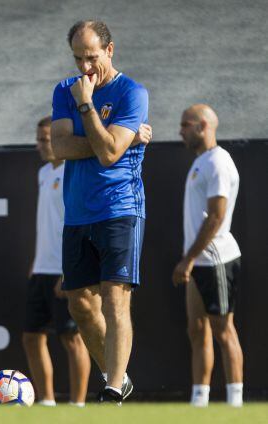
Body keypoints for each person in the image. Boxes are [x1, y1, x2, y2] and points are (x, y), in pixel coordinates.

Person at [49, 20, 153, 404]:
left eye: (91, 57)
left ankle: (111, 390)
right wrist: (110, 137)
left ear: (109, 50)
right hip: (77, 212)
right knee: (80, 304)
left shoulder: (131, 92)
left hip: (120, 208)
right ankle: (117, 376)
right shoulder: (64, 89)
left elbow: (110, 156)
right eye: (78, 58)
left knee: (114, 298)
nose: (85, 67)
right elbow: (59, 147)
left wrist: (87, 106)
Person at [173, 104, 243, 407]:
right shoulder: (201, 162)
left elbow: (216, 217)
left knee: (223, 331)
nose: (181, 130)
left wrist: (187, 259)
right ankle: (199, 401)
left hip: (216, 259)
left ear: (203, 125)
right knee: (196, 329)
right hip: (198, 261)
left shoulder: (218, 162)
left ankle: (235, 403)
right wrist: (190, 260)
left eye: (186, 124)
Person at [22, 116, 90, 407]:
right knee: (31, 337)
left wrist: (70, 271)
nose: (40, 145)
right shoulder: (43, 173)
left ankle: (78, 405)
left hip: (67, 271)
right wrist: (37, 262)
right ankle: (47, 402)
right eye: (38, 139)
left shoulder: (74, 173)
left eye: (45, 139)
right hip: (42, 269)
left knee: (72, 338)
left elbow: (82, 226)